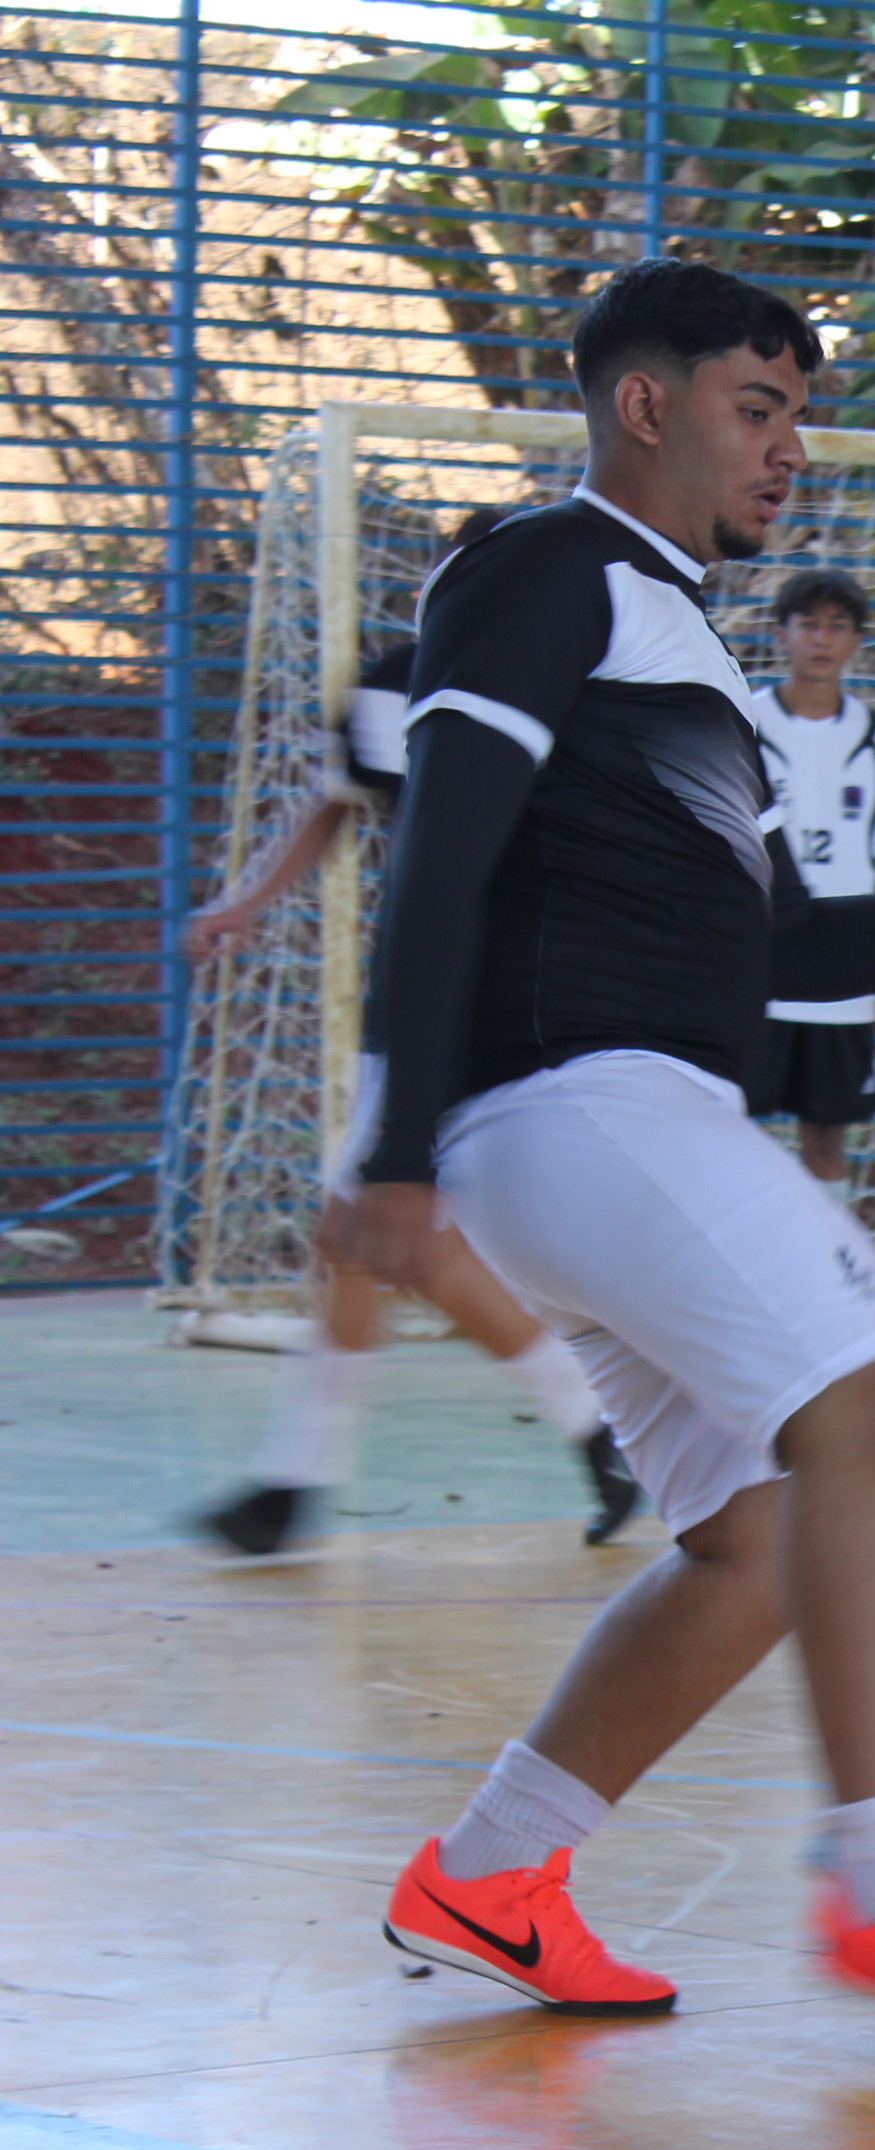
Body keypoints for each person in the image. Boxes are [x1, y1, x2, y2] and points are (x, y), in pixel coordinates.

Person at [340, 257, 875, 2032]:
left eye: (800, 415)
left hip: (627, 1125)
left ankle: (491, 1873)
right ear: (644, 405)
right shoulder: (542, 570)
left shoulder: (692, 660)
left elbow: (792, 946)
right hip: (572, 1104)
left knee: (769, 1534)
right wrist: (393, 1146)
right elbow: (437, 854)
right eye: (758, 407)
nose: (792, 449)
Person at [184, 505, 639, 1555]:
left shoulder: (578, 689)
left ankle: (590, 1428)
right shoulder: (393, 684)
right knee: (372, 1241)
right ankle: (306, 1481)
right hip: (426, 991)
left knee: (379, 1235)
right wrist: (247, 902)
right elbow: (337, 806)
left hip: (502, 995)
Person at [746, 568, 875, 1200]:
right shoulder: (743, 723)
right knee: (726, 1127)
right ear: (781, 635)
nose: (821, 639)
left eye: (837, 626)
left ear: (856, 642)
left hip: (840, 976)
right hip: (755, 970)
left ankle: (829, 1254)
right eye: (809, 624)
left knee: (826, 1136)